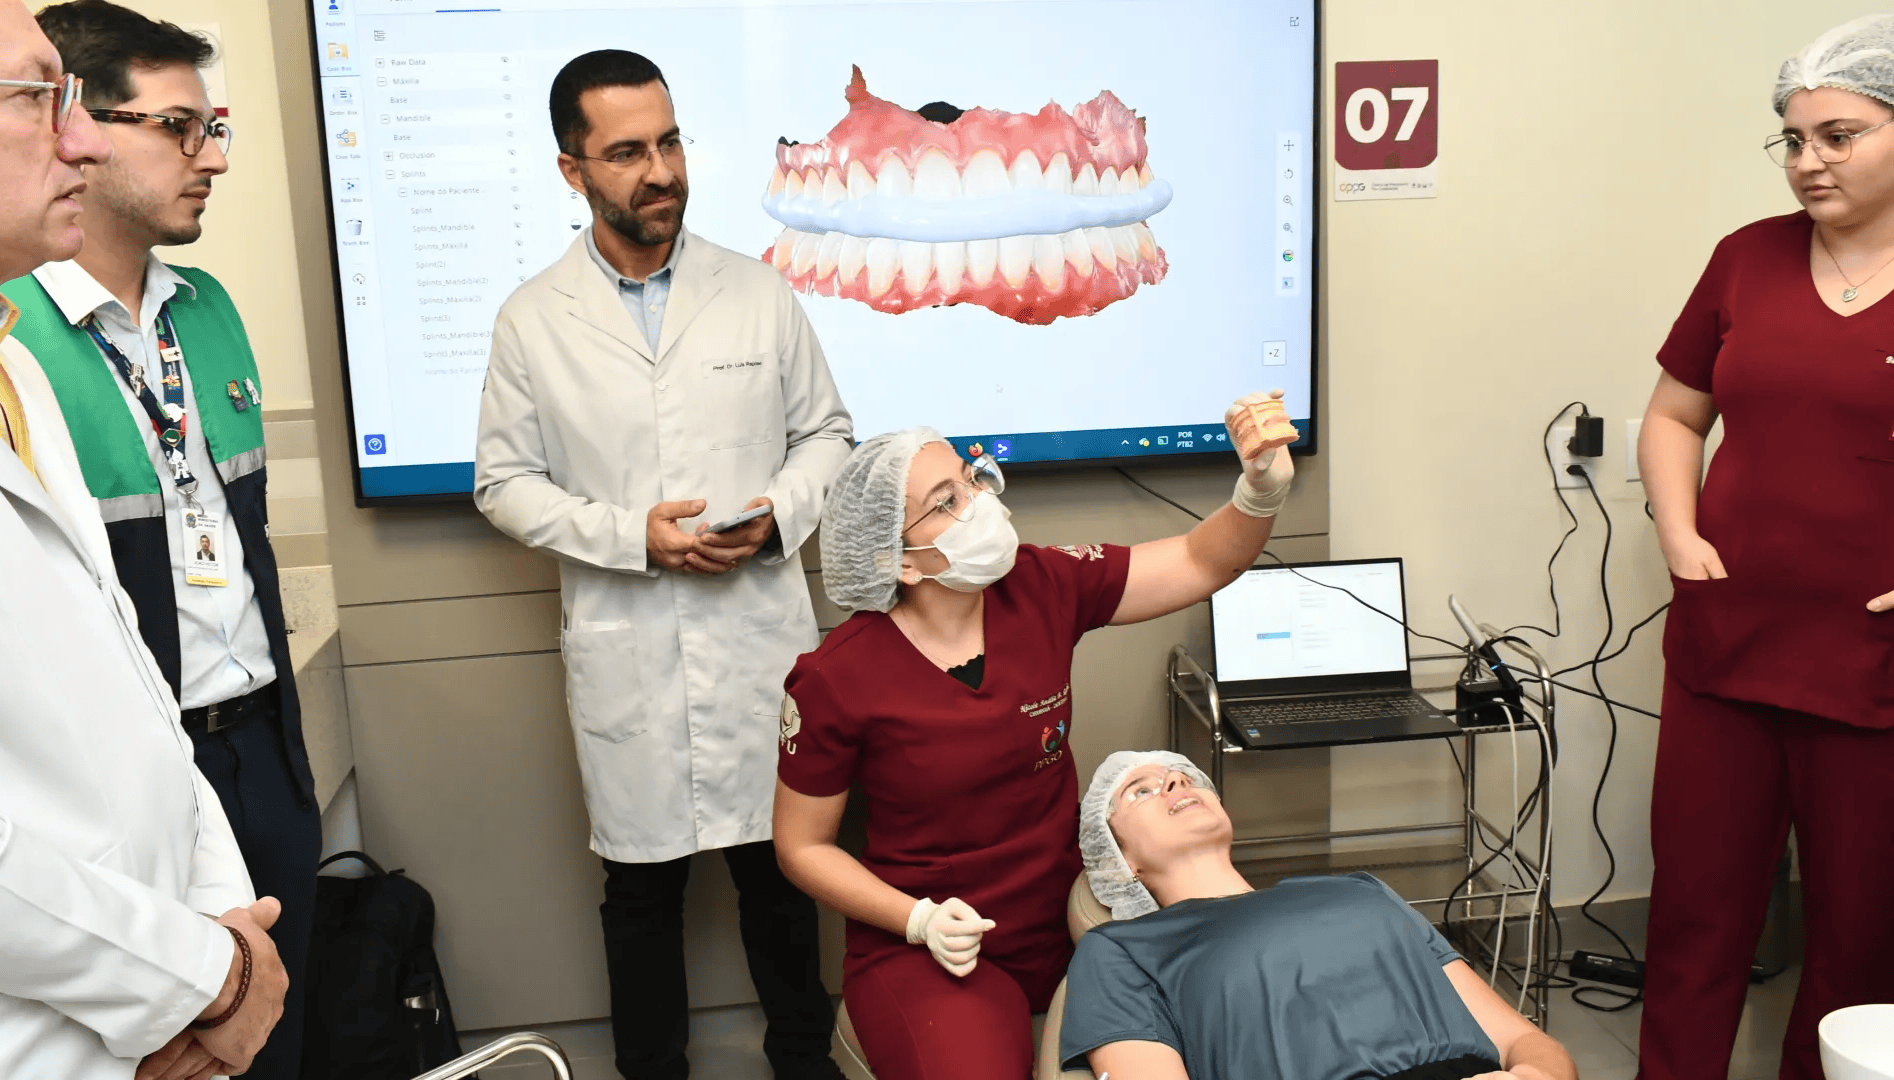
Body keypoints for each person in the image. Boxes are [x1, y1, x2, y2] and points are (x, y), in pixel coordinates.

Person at [474, 48, 853, 1080]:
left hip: (758, 638)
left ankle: (805, 1067)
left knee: (783, 878)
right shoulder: (533, 319)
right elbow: (504, 484)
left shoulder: (757, 291)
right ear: (573, 170)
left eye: (671, 142)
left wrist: (775, 517)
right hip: (629, 646)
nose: (661, 171)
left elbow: (827, 435)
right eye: (628, 152)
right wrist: (631, 536)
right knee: (641, 897)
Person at [773, 391, 1300, 1080]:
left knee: (1231, 1039)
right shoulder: (837, 677)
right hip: (929, 942)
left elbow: (1201, 562)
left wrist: (1259, 492)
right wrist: (917, 920)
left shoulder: (1038, 583)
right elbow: (802, 847)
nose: (977, 502)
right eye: (946, 501)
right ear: (900, 561)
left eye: (970, 479)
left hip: (1068, 919)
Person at [0, 5, 320, 1077]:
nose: (212, 157)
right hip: (124, 790)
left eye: (212, 126)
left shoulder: (207, 309)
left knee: (275, 1032)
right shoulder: (17, 337)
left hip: (255, 748)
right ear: (81, 126)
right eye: (180, 128)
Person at [1635, 15, 1894, 1080]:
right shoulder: (1746, 258)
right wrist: (1679, 531)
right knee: (1695, 916)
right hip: (1729, 640)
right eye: (1793, 140)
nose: (1808, 161)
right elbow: (1672, 415)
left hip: (1870, 662)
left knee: (1860, 936)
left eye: (1839, 136)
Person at [1061, 751, 1578, 1080]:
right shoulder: (1123, 949)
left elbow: (1525, 1041)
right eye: (1141, 790)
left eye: (1181, 775)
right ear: (1118, 860)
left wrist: (1531, 1078)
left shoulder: (1361, 891)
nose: (1175, 781)